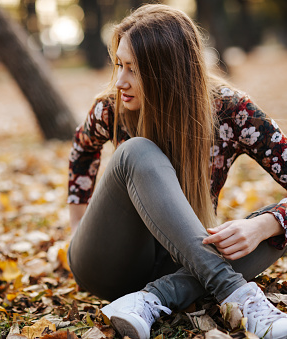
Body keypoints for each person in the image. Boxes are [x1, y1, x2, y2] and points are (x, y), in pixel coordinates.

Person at [67, 4, 287, 339]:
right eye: (119, 65)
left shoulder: (231, 110)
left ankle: (151, 300)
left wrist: (263, 225)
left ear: (166, 72)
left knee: (277, 233)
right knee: (137, 151)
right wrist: (79, 224)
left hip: (183, 263)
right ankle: (237, 295)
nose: (120, 81)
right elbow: (82, 150)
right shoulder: (112, 107)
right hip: (109, 263)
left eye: (132, 69)